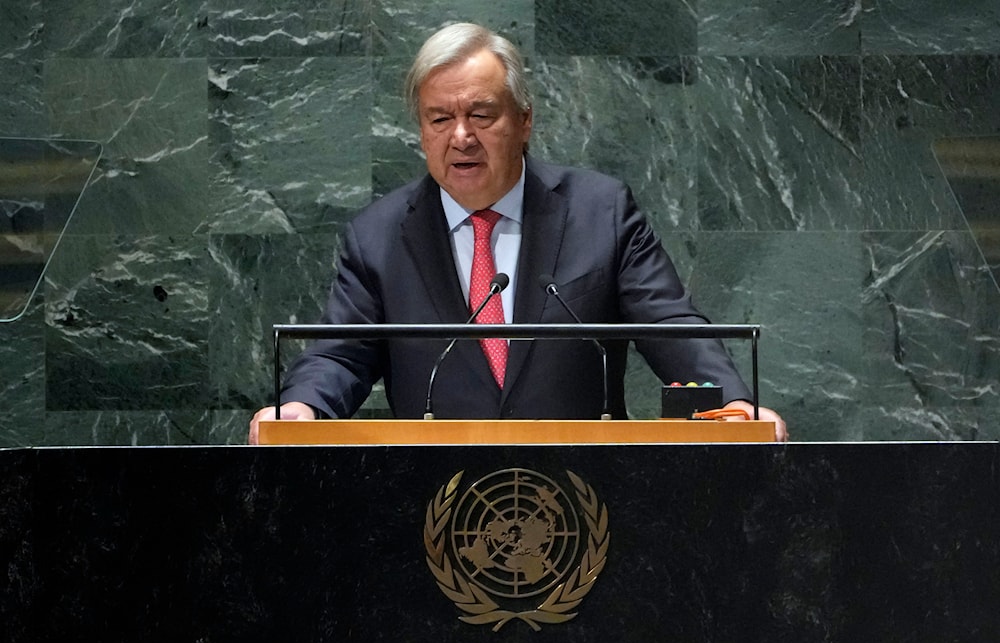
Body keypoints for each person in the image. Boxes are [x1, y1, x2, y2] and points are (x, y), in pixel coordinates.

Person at [248, 22, 787, 444]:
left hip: (587, 496)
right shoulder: (378, 237)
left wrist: (733, 405)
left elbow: (670, 326)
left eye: (481, 114)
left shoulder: (600, 212)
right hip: (434, 504)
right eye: (440, 119)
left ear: (524, 120)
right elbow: (340, 355)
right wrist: (302, 408)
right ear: (421, 132)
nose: (461, 137)